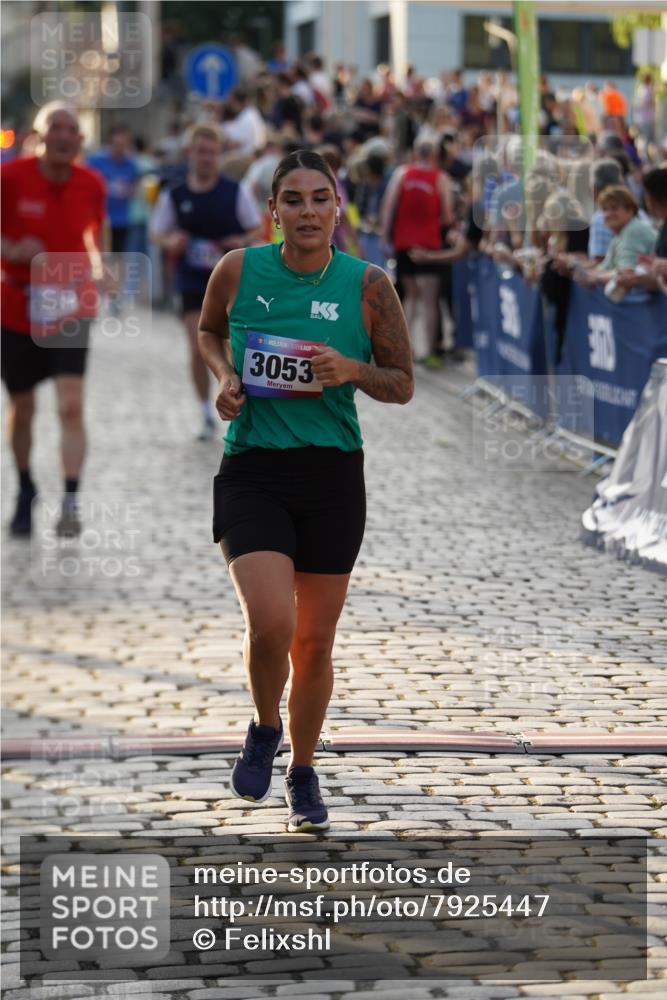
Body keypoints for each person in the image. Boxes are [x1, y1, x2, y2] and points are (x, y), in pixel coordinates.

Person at [197, 149, 413, 832]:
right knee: (272, 623)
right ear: (274, 211)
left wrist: (350, 368)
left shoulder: (366, 283)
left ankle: (303, 769)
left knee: (314, 645)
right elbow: (206, 330)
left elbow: (402, 382)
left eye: (320, 197)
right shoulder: (239, 268)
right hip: (253, 468)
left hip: (330, 475)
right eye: (293, 199)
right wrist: (223, 377)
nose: (308, 211)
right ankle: (265, 726)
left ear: (338, 205)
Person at [1, 102, 106, 537]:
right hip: (16, 305)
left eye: (72, 129)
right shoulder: (9, 178)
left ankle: (70, 499)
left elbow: (98, 236)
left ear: (80, 140)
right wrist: (9, 250)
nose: (64, 136)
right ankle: (26, 487)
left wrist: (105, 268)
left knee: (71, 404)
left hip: (69, 305)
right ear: (39, 136)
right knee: (23, 409)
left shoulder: (92, 184)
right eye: (55, 128)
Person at [150, 123, 262, 441]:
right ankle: (203, 412)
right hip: (191, 279)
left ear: (219, 155)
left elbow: (256, 229)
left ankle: (232, 403)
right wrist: (173, 242)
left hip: (229, 282)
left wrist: (238, 239)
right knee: (197, 345)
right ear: (190, 154)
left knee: (228, 346)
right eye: (200, 151)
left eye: (211, 152)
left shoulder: (234, 191)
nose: (206, 158)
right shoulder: (176, 194)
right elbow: (157, 232)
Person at [380, 140, 453, 366]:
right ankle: (430, 353)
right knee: (429, 301)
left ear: (414, 153)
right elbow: (448, 216)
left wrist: (385, 237)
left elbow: (388, 206)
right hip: (429, 245)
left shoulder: (402, 174)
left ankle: (404, 351)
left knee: (410, 297)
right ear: (434, 155)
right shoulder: (441, 178)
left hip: (404, 244)